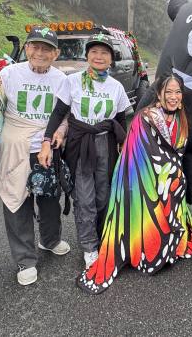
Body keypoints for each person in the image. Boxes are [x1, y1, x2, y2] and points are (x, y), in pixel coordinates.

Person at [77, 75, 192, 294]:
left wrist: (173, 172)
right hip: (144, 178)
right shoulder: (146, 117)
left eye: (177, 92)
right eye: (168, 92)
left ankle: (170, 243)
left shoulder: (181, 117)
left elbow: (178, 151)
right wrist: (165, 172)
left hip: (170, 177)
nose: (173, 97)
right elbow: (140, 153)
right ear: (159, 94)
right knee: (156, 197)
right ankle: (149, 247)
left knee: (174, 188)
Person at [0, 27, 72, 286]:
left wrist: (61, 131)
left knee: (49, 199)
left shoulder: (61, 79)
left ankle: (50, 239)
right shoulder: (8, 73)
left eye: (47, 49)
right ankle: (25, 259)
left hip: (46, 149)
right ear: (27, 48)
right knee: (16, 202)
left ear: (55, 54)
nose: (40, 53)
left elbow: (65, 114)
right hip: (14, 147)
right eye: (35, 46)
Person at [40, 32, 130, 269]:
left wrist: (127, 144)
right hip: (80, 144)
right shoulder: (73, 81)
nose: (99, 56)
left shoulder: (116, 87)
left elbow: (122, 119)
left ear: (112, 58)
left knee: (104, 196)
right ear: (87, 55)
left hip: (106, 144)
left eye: (104, 52)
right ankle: (89, 247)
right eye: (94, 52)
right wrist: (48, 139)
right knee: (85, 198)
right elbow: (59, 113)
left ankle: (102, 237)